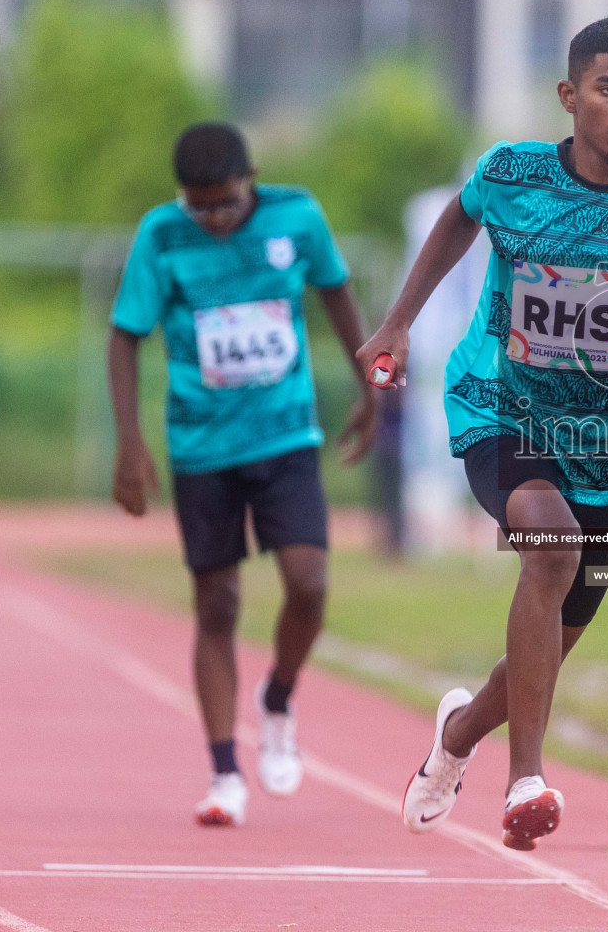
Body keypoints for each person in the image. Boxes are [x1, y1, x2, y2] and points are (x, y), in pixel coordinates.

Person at [356, 17, 608, 850]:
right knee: (550, 546)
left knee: (552, 640)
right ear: (570, 96)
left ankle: (455, 739)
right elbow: (460, 219)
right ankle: (525, 779)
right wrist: (398, 324)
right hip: (501, 404)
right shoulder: (512, 172)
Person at [108, 123, 378, 827]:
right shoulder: (162, 236)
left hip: (285, 432)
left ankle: (279, 697)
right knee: (218, 604)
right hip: (201, 448)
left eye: (225, 203)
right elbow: (123, 336)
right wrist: (129, 443)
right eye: (200, 206)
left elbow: (338, 295)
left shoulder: (299, 215)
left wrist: (370, 386)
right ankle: (225, 771)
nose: (215, 219)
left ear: (250, 178)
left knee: (310, 584)